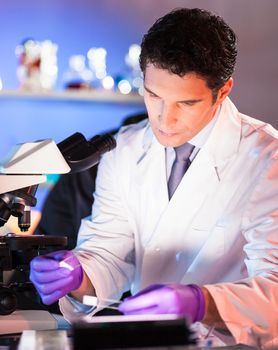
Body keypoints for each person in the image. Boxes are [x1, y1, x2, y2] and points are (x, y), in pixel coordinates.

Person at [30, 8, 278, 346]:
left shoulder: (267, 158)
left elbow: (274, 289)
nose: (164, 119)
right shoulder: (126, 149)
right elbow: (109, 252)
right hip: (145, 340)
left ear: (222, 91)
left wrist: (201, 302)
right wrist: (77, 276)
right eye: (153, 95)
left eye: (186, 103)